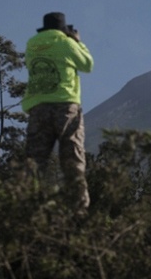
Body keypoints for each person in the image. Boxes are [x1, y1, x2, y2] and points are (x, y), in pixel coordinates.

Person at [22, 12, 94, 214]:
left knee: (35, 161)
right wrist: (78, 42)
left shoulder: (32, 44)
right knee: (73, 158)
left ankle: (27, 209)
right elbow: (87, 65)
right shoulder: (66, 43)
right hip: (65, 106)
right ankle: (79, 210)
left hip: (38, 107)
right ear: (64, 29)